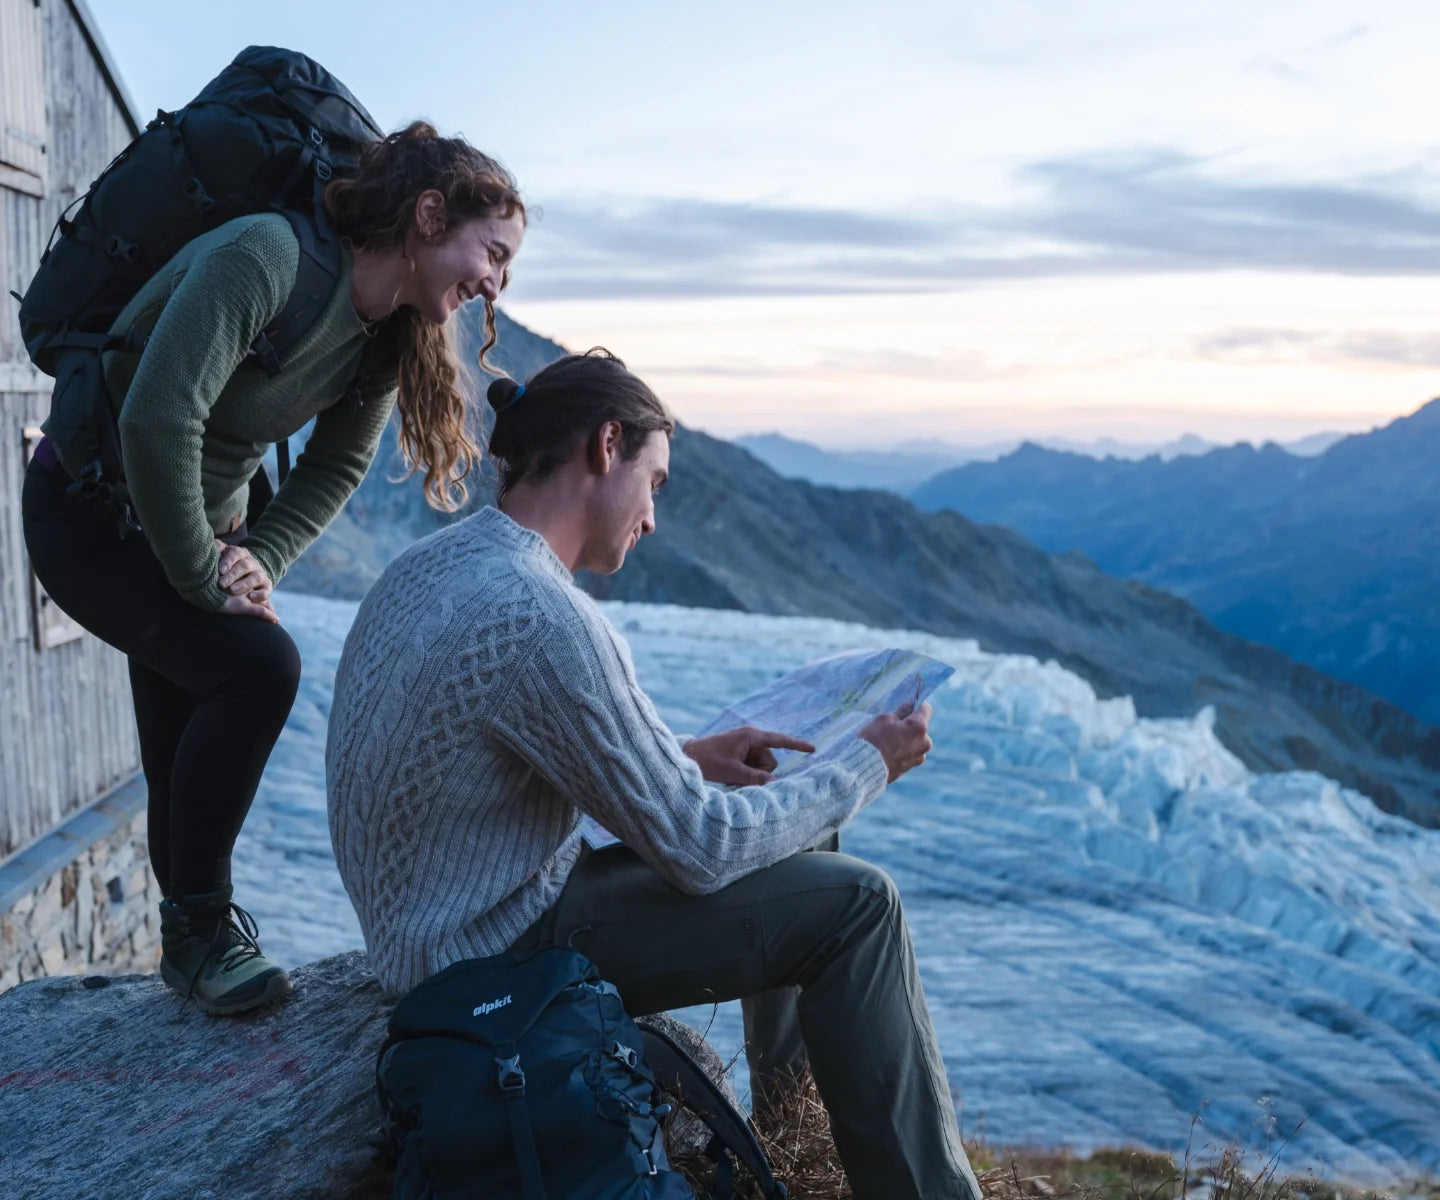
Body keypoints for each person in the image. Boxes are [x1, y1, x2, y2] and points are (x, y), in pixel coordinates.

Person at [327, 349, 982, 1200]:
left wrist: (686, 760)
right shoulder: (541, 616)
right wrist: (867, 762)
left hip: (439, 924)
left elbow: (489, 766)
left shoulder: (434, 568)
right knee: (860, 907)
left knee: (799, 822)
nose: (653, 518)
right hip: (498, 956)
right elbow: (701, 850)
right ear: (606, 446)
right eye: (656, 481)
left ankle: (791, 1132)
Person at [21, 121, 526, 1016]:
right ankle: (206, 930)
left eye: (506, 267)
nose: (494, 283)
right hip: (88, 514)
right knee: (260, 670)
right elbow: (155, 420)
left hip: (190, 532)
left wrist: (255, 559)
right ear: (427, 212)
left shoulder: (383, 336)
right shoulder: (267, 257)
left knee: (185, 734)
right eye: (491, 252)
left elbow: (332, 471)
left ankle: (191, 937)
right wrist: (203, 576)